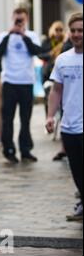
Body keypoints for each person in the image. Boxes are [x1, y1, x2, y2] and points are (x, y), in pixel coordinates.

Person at [46, 13, 83, 222]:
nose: (77, 34)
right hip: (69, 126)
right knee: (76, 170)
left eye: (81, 30)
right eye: (74, 30)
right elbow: (56, 90)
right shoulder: (63, 59)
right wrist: (50, 116)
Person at [0, 7, 42, 163]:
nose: (19, 22)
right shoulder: (4, 35)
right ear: (12, 18)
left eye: (21, 19)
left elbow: (37, 51)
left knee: (26, 119)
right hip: (9, 82)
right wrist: (10, 33)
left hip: (26, 82)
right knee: (7, 119)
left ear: (27, 19)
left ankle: (25, 150)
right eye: (17, 19)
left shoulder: (31, 35)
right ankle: (8, 150)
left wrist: (23, 35)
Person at [38, 21, 67, 161]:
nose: (59, 32)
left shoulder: (67, 42)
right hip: (49, 76)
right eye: (57, 30)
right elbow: (40, 54)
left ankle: (63, 144)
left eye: (61, 30)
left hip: (63, 79)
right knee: (50, 95)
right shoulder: (47, 42)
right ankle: (49, 119)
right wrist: (50, 54)